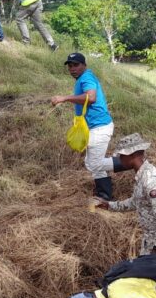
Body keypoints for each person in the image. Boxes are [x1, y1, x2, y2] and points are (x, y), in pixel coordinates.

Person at [97, 133, 156, 263]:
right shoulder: (141, 175)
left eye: (122, 156)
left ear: (133, 155)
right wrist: (109, 205)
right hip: (153, 238)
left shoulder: (151, 181)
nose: (120, 159)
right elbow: (136, 202)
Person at [50, 53, 119, 200]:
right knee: (92, 162)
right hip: (93, 127)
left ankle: (128, 162)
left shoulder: (86, 77)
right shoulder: (82, 78)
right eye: (70, 66)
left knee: (94, 163)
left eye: (76, 65)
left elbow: (91, 97)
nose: (72, 68)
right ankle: (104, 195)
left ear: (84, 65)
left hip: (100, 127)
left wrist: (65, 98)